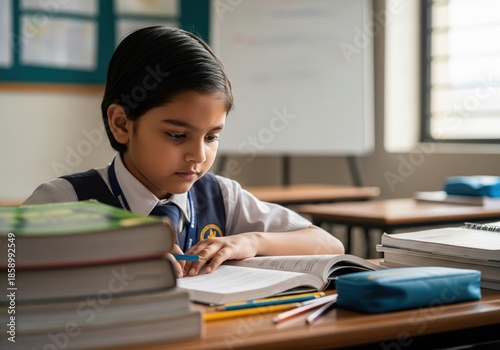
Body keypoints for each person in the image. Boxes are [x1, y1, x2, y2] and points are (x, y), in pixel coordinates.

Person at [24, 26, 344, 278]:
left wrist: (251, 241)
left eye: (212, 137)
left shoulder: (221, 197)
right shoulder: (66, 201)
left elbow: (329, 245)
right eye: (177, 135)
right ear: (122, 123)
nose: (198, 155)